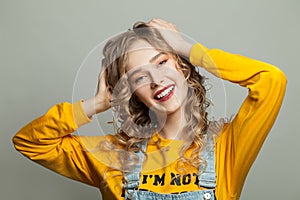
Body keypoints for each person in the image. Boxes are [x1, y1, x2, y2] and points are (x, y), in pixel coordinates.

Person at [13, 18, 287, 200]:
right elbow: (31, 143)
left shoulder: (227, 148)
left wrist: (188, 48)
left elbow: (271, 80)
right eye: (140, 77)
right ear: (133, 93)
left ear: (180, 65)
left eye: (162, 62)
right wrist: (96, 103)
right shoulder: (114, 157)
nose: (157, 81)